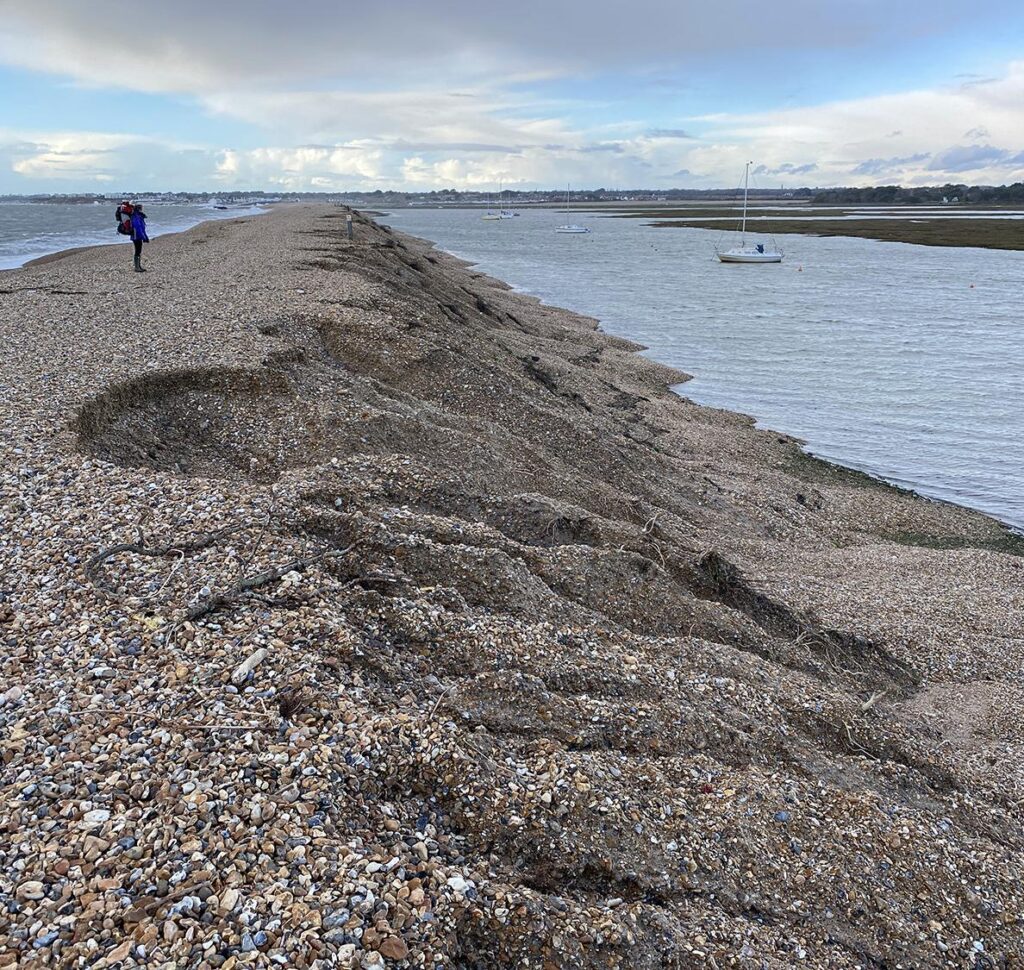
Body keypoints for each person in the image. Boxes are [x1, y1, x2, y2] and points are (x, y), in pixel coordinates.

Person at [130, 203, 149, 273]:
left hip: (137, 235)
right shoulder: (136, 216)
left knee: (138, 251)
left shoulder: (138, 216)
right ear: (139, 209)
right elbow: (138, 228)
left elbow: (141, 228)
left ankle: (138, 266)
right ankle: (137, 267)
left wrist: (145, 236)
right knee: (137, 251)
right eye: (141, 208)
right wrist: (143, 237)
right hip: (136, 236)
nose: (142, 209)